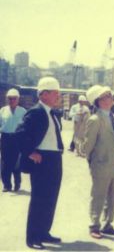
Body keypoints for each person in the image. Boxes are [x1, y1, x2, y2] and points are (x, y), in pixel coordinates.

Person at [15, 77, 64, 250]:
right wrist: (31, 152)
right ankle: (33, 237)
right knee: (39, 199)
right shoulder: (35, 112)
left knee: (51, 199)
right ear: (43, 94)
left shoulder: (52, 113)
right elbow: (20, 134)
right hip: (42, 160)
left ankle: (44, 232)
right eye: (55, 93)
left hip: (54, 159)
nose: (58, 96)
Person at [83, 85, 114, 239]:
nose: (110, 99)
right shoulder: (95, 119)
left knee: (113, 197)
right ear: (98, 101)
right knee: (99, 195)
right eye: (105, 97)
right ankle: (94, 225)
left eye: (110, 96)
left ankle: (107, 224)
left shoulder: (112, 116)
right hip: (101, 164)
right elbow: (87, 146)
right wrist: (93, 163)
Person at [0, 88, 26, 192]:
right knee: (5, 162)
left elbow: (26, 127)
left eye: (14, 98)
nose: (12, 100)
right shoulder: (2, 110)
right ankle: (6, 185)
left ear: (18, 99)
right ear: (7, 99)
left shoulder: (23, 111)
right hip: (5, 138)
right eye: (10, 98)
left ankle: (17, 183)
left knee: (17, 162)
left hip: (17, 138)